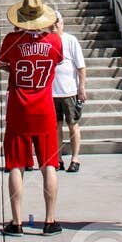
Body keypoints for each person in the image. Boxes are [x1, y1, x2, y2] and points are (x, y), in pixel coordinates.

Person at [0, 0, 64, 235]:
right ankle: (50, 220)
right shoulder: (55, 41)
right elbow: (56, 61)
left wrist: (10, 67)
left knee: (15, 165)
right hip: (44, 106)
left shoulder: (12, 40)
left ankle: (16, 222)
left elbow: (3, 62)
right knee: (49, 165)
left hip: (19, 105)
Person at [50, 13, 87, 172]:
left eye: (56, 22)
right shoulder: (47, 41)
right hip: (51, 92)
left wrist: (81, 88)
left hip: (69, 91)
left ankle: (75, 158)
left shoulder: (70, 40)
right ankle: (58, 158)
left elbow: (81, 67)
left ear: (62, 23)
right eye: (51, 23)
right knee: (56, 126)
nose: (54, 26)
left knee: (73, 124)